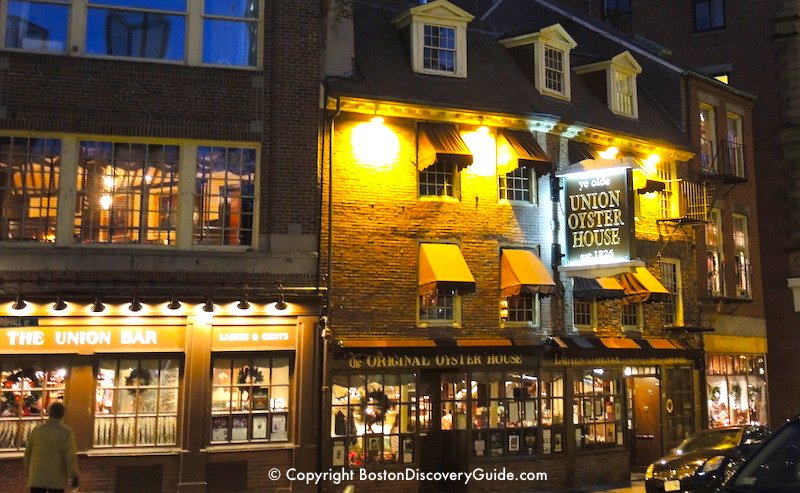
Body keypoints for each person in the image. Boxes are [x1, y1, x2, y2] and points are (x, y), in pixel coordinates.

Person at [23, 401, 80, 493]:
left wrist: (31, 470)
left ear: (49, 413)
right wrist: (74, 474)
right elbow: (70, 456)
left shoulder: (38, 430)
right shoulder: (66, 432)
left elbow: (28, 453)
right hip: (56, 478)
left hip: (37, 477)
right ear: (63, 414)